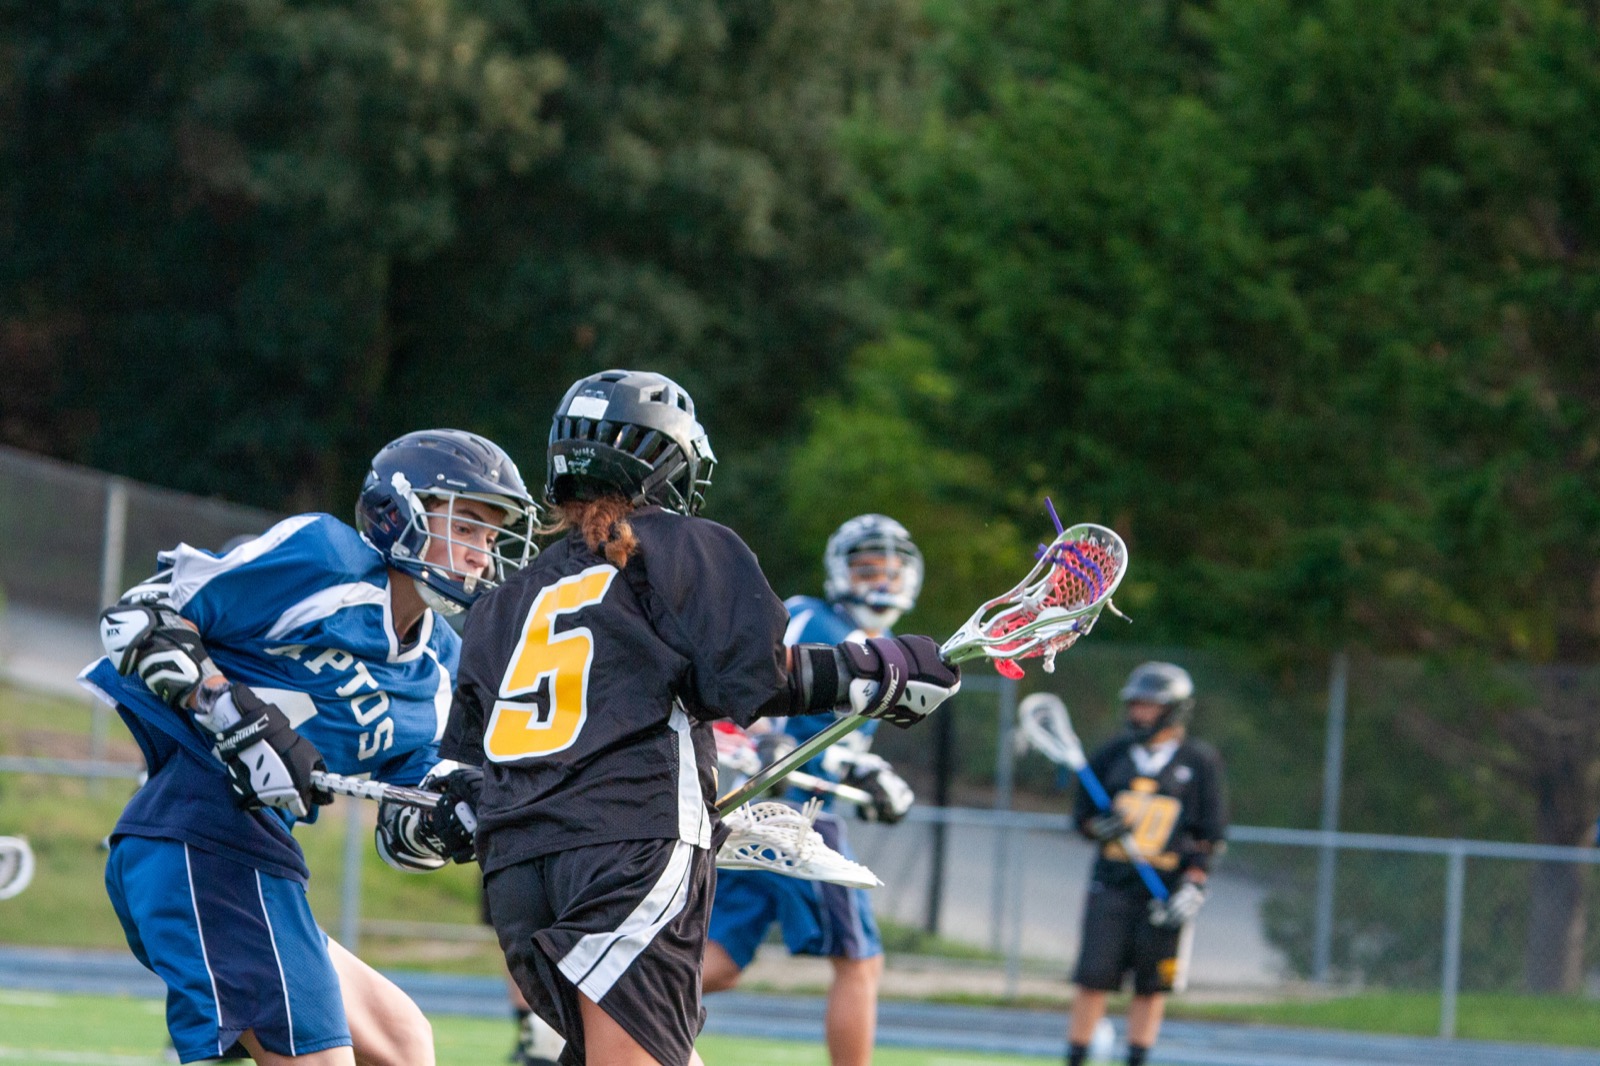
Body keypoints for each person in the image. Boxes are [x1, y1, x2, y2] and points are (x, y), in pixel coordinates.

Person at [439, 369, 963, 1066]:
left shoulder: (510, 596)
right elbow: (753, 678)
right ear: (665, 462)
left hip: (516, 872)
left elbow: (462, 763)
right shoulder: (684, 547)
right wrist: (876, 669)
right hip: (628, 847)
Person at [80, 430, 537, 1065]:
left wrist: (446, 819)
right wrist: (232, 712)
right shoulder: (324, 561)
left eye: (491, 538)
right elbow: (138, 617)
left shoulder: (441, 669)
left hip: (260, 860)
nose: (482, 556)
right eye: (469, 527)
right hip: (197, 839)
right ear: (399, 513)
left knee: (403, 1042)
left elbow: (400, 829)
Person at [703, 514, 924, 1066]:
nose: (880, 580)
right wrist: (759, 737)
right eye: (867, 566)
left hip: (764, 808)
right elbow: (749, 679)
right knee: (860, 962)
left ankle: (606, 1011)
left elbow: (826, 748)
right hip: (787, 815)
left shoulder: (875, 647)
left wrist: (871, 776)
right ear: (839, 569)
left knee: (720, 963)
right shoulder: (813, 619)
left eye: (891, 569)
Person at [1064, 662, 1228, 1066]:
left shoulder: (1201, 763)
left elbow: (1211, 834)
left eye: (1149, 706)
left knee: (1150, 986)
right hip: (1112, 886)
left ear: (1173, 709)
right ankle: (1076, 1055)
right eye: (1135, 705)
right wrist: (1099, 827)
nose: (1139, 714)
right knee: (1093, 979)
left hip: (1163, 892)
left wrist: (1194, 882)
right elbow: (1081, 818)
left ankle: (1138, 1057)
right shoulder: (1112, 754)